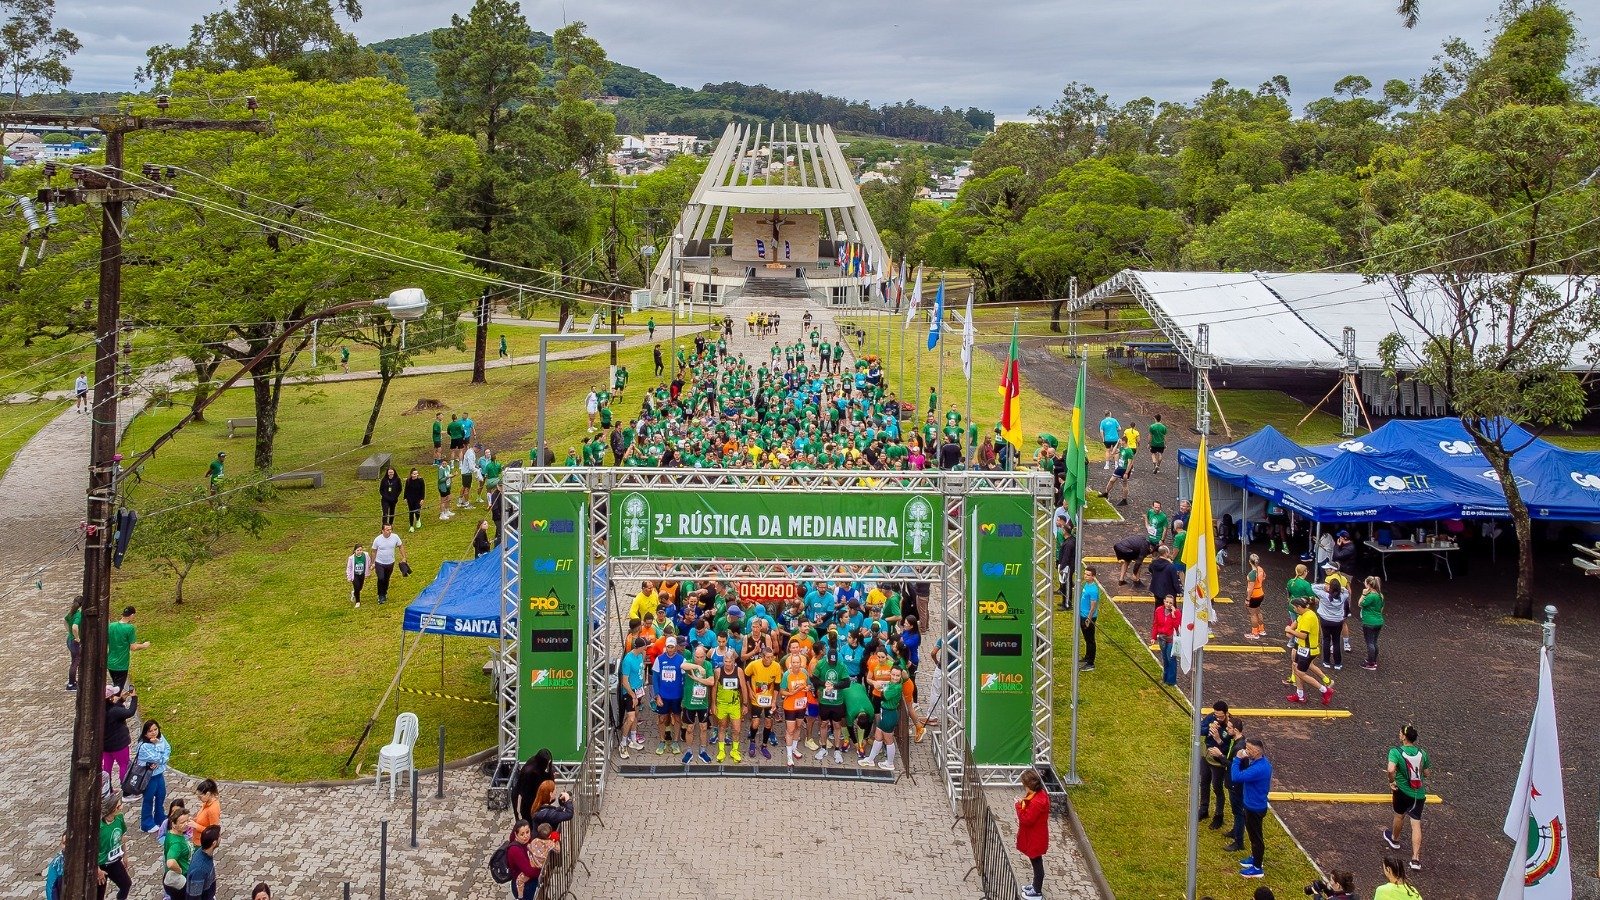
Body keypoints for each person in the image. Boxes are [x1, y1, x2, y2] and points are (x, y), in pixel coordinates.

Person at [1384, 724, 1430, 871]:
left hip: (1402, 791)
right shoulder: (1423, 752)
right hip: (1418, 794)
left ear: (1404, 737)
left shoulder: (1395, 752)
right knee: (1416, 823)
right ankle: (1415, 859)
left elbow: (1391, 769)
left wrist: (1392, 781)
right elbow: (1427, 773)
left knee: (1399, 815)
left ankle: (1395, 840)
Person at [1231, 737, 1273, 879]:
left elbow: (1236, 777)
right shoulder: (1261, 763)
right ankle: (1255, 858)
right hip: (1253, 804)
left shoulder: (1258, 769)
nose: (1245, 751)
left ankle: (1257, 867)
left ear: (1256, 751)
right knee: (1253, 835)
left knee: (1256, 838)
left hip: (1254, 807)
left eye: (1248, 749)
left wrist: (1237, 759)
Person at [1285, 598, 1334, 706]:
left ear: (1299, 607)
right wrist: (1290, 630)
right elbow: (1291, 630)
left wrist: (1290, 630)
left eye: (1294, 607)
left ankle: (1325, 690)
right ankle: (1300, 695)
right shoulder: (1302, 615)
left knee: (1300, 673)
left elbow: (1303, 635)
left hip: (1308, 650)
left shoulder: (1309, 617)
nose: (1294, 609)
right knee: (1295, 667)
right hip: (1302, 648)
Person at [860, 666, 904, 771]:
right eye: (893, 674)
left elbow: (883, 696)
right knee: (878, 736)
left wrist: (879, 687)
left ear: (900, 676)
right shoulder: (892, 684)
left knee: (888, 740)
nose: (894, 677)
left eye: (897, 675)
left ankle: (890, 763)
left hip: (889, 714)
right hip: (884, 712)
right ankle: (870, 759)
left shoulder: (896, 687)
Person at [1016, 768, 1050, 899]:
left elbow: (1026, 819)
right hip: (1036, 836)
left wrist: (1018, 806)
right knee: (1036, 861)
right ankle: (1035, 885)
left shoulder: (1037, 802)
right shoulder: (1039, 795)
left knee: (1037, 863)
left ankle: (1037, 890)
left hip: (1035, 838)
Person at [1199, 700, 1233, 829]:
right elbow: (1200, 729)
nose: (1218, 718)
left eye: (1220, 716)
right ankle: (1203, 809)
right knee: (1204, 782)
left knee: (1217, 788)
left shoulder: (1230, 726)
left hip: (1218, 762)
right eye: (1216, 715)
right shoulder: (1211, 718)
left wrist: (1218, 739)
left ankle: (1219, 815)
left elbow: (1229, 749)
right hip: (1207, 755)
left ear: (1226, 713)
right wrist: (1209, 728)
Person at [744, 644, 781, 759]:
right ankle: (752, 741)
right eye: (768, 657)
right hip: (756, 699)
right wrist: (750, 691)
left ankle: (764, 745)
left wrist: (774, 701)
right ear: (762, 656)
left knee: (769, 722)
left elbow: (777, 685)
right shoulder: (754, 665)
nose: (770, 659)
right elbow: (746, 676)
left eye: (772, 657)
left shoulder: (776, 666)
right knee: (755, 722)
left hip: (769, 700)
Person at [651, 636, 687, 756]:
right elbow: (655, 679)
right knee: (662, 719)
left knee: (677, 718)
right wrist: (657, 695)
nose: (670, 649)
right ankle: (662, 741)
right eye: (668, 647)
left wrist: (684, 697)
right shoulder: (659, 659)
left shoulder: (681, 660)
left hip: (677, 696)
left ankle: (675, 741)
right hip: (663, 696)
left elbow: (685, 679)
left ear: (676, 647)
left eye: (672, 647)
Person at [680, 644, 715, 763]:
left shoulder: (708, 665)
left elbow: (711, 681)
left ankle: (702, 751)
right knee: (689, 728)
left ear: (705, 657)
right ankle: (689, 751)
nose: (699, 659)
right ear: (693, 655)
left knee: (703, 728)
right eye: (697, 657)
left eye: (701, 657)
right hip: (690, 702)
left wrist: (697, 679)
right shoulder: (690, 662)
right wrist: (697, 667)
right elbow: (682, 665)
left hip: (703, 703)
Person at [136, 719, 173, 834]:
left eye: (155, 729)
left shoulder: (161, 739)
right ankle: (146, 823)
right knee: (148, 798)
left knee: (161, 795)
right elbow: (157, 758)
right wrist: (158, 748)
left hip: (159, 774)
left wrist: (161, 758)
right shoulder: (143, 746)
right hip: (148, 777)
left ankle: (160, 817)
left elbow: (168, 750)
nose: (153, 732)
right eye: (150, 731)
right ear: (145, 733)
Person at [712, 648, 746, 763]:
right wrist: (713, 704)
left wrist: (745, 704)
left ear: (733, 661)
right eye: (726, 661)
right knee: (722, 727)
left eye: (730, 661)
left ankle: (734, 750)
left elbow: (743, 688)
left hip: (734, 704)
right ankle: (721, 750)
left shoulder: (739, 671)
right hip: (722, 704)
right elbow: (714, 688)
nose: (728, 664)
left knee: (736, 729)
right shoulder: (718, 671)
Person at [779, 651, 813, 764]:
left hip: (801, 704)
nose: (796, 664)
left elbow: (808, 684)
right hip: (790, 706)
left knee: (798, 727)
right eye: (793, 662)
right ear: (790, 664)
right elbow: (782, 691)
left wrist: (807, 688)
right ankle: (789, 755)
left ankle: (794, 748)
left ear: (801, 663)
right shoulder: (786, 675)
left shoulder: (804, 672)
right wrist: (791, 693)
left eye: (798, 662)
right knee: (790, 730)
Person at [97, 792, 131, 900]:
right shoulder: (99, 827)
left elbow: (121, 837)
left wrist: (125, 855)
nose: (121, 808)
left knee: (126, 884)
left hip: (114, 861)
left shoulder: (119, 818)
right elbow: (92, 851)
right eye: (118, 806)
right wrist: (97, 870)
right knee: (99, 895)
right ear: (112, 809)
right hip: (101, 865)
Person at [105, 606, 148, 689]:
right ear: (131, 615)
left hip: (110, 662)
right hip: (122, 664)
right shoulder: (130, 628)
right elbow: (133, 647)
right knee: (118, 690)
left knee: (115, 686)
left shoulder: (111, 626)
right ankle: (115, 701)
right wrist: (144, 645)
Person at [103, 683, 138, 783]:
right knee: (124, 765)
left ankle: (107, 790)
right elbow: (130, 712)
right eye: (113, 695)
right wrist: (134, 697)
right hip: (118, 745)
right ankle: (126, 791)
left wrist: (122, 699)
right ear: (110, 698)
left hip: (106, 746)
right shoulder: (114, 711)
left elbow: (115, 710)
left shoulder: (102, 709)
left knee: (107, 768)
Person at [1315, 573, 1347, 670]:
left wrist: (1325, 586)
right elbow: (1346, 591)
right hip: (1338, 621)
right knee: (1336, 641)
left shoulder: (1324, 596)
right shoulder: (1343, 596)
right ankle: (1338, 663)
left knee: (1326, 640)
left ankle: (1326, 661)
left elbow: (1314, 587)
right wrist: (1340, 588)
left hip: (1325, 620)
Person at [512, 748, 553, 823]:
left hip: (537, 802)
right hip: (529, 805)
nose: (548, 766)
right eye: (547, 764)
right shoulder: (529, 773)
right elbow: (517, 791)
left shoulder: (538, 767)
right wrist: (516, 814)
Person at [370, 523, 406, 605]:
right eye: (387, 530)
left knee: (386, 578)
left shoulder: (395, 537)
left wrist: (404, 557)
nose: (389, 531)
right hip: (379, 563)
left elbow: (400, 546)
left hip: (390, 562)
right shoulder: (378, 539)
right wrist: (372, 563)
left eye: (390, 529)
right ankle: (380, 595)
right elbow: (373, 551)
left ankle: (384, 593)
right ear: (382, 530)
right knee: (381, 578)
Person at [162, 809, 192, 900]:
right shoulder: (177, 844)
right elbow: (170, 863)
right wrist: (179, 870)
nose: (186, 824)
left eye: (187, 820)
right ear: (174, 824)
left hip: (170, 878)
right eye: (182, 822)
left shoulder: (171, 834)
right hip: (179, 881)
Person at [1152, 594, 1180, 686]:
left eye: (1170, 603)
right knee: (1165, 659)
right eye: (1167, 602)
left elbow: (1177, 626)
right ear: (1164, 601)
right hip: (1162, 638)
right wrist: (1153, 637)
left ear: (1173, 604)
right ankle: (1165, 678)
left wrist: (1173, 614)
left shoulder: (1177, 612)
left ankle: (1171, 681)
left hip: (1171, 639)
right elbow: (1155, 624)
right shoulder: (1158, 610)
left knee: (1171, 658)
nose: (1168, 604)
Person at [186, 825, 221, 900]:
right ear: (214, 843)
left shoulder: (202, 852)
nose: (221, 838)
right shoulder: (200, 870)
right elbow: (194, 897)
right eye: (219, 837)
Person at [1078, 567, 1102, 671]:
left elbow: (1093, 607)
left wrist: (1089, 619)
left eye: (1088, 575)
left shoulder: (1093, 590)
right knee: (1087, 639)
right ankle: (1087, 657)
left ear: (1093, 576)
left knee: (1090, 640)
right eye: (1085, 574)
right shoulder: (1086, 585)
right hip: (1082, 615)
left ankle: (1091, 663)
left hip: (1088, 618)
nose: (1085, 576)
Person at [1359, 576, 1385, 670]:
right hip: (1378, 621)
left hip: (1369, 622)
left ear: (1369, 584)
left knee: (1369, 642)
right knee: (1374, 641)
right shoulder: (1380, 595)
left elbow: (1360, 603)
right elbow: (1381, 609)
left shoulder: (1370, 596)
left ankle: (1371, 663)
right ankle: (1374, 659)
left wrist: (1363, 594)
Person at [190, 779, 221, 848]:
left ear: (207, 794)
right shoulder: (206, 803)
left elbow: (213, 831)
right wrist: (194, 820)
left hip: (203, 844)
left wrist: (196, 825)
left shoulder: (213, 809)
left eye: (200, 797)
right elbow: (203, 819)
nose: (199, 799)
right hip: (198, 840)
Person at [1244, 554, 1267, 640]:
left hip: (1254, 595)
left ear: (1250, 562)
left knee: (1253, 614)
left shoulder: (1252, 574)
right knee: (1258, 612)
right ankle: (1261, 630)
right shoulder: (1260, 569)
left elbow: (1250, 589)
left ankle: (1254, 633)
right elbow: (1264, 576)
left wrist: (1247, 599)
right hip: (1261, 593)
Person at [65, 596, 82, 691]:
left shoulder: (71, 612)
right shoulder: (78, 615)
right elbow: (75, 627)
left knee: (74, 660)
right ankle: (71, 684)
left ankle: (73, 681)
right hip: (75, 642)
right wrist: (77, 638)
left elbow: (65, 621)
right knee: (76, 661)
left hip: (69, 640)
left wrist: (70, 633)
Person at [345, 544, 369, 608]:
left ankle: (354, 593)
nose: (359, 551)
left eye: (361, 550)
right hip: (355, 575)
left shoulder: (366, 555)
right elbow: (349, 568)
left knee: (360, 588)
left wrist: (368, 570)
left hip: (362, 574)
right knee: (357, 587)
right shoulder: (351, 558)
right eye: (358, 550)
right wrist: (349, 577)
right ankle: (358, 602)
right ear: (355, 551)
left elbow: (368, 562)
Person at [404, 468, 426, 532]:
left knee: (417, 510)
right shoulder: (408, 481)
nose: (415, 475)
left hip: (418, 498)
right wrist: (405, 497)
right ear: (411, 474)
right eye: (414, 474)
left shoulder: (421, 481)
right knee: (411, 512)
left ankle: (418, 519)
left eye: (416, 473)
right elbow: (406, 490)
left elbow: (423, 490)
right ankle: (411, 526)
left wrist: (422, 499)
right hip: (410, 499)